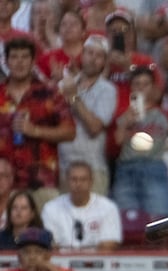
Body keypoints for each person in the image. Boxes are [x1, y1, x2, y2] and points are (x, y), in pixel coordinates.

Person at [0, 37, 76, 207]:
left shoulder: (50, 93)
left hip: (42, 181)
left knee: (46, 224)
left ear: (33, 61)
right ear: (6, 61)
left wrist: (35, 131)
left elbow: (70, 132)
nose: (19, 62)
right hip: (3, 183)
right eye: (14, 57)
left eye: (24, 57)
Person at [112, 64, 168, 218]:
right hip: (126, 169)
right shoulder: (123, 114)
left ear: (154, 87)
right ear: (131, 88)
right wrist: (124, 123)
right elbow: (116, 143)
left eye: (145, 84)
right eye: (137, 84)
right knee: (126, 220)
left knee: (161, 219)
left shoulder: (164, 114)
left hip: (154, 167)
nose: (141, 88)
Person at [57, 34, 118, 195]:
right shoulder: (63, 86)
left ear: (105, 62)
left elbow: (95, 127)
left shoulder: (108, 90)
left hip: (93, 169)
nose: (93, 59)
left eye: (99, 56)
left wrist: (73, 97)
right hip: (64, 167)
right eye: (90, 53)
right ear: (82, 55)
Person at [41, 161, 122, 251]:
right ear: (67, 181)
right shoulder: (50, 208)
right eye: (74, 179)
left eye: (83, 179)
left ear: (91, 182)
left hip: (97, 259)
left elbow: (109, 245)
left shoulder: (108, 207)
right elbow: (52, 245)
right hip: (62, 259)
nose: (78, 184)